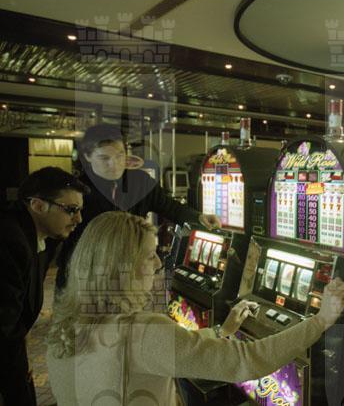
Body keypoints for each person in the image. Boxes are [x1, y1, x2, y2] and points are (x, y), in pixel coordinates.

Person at [46, 211, 344, 405]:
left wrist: (221, 331)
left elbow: (164, 351)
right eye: (149, 255)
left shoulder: (64, 324)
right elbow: (248, 361)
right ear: (122, 267)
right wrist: (321, 320)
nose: (159, 263)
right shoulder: (142, 331)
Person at [55, 124, 220, 291]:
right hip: (85, 272)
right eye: (105, 158)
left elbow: (170, 207)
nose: (114, 164)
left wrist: (199, 217)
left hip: (127, 270)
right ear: (87, 156)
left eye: (120, 155)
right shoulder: (75, 189)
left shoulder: (140, 181)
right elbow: (57, 235)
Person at [0, 167, 89, 406]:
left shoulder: (39, 239)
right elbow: (4, 327)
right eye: (71, 210)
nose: (78, 219)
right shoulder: (10, 240)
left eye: (80, 210)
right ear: (38, 205)